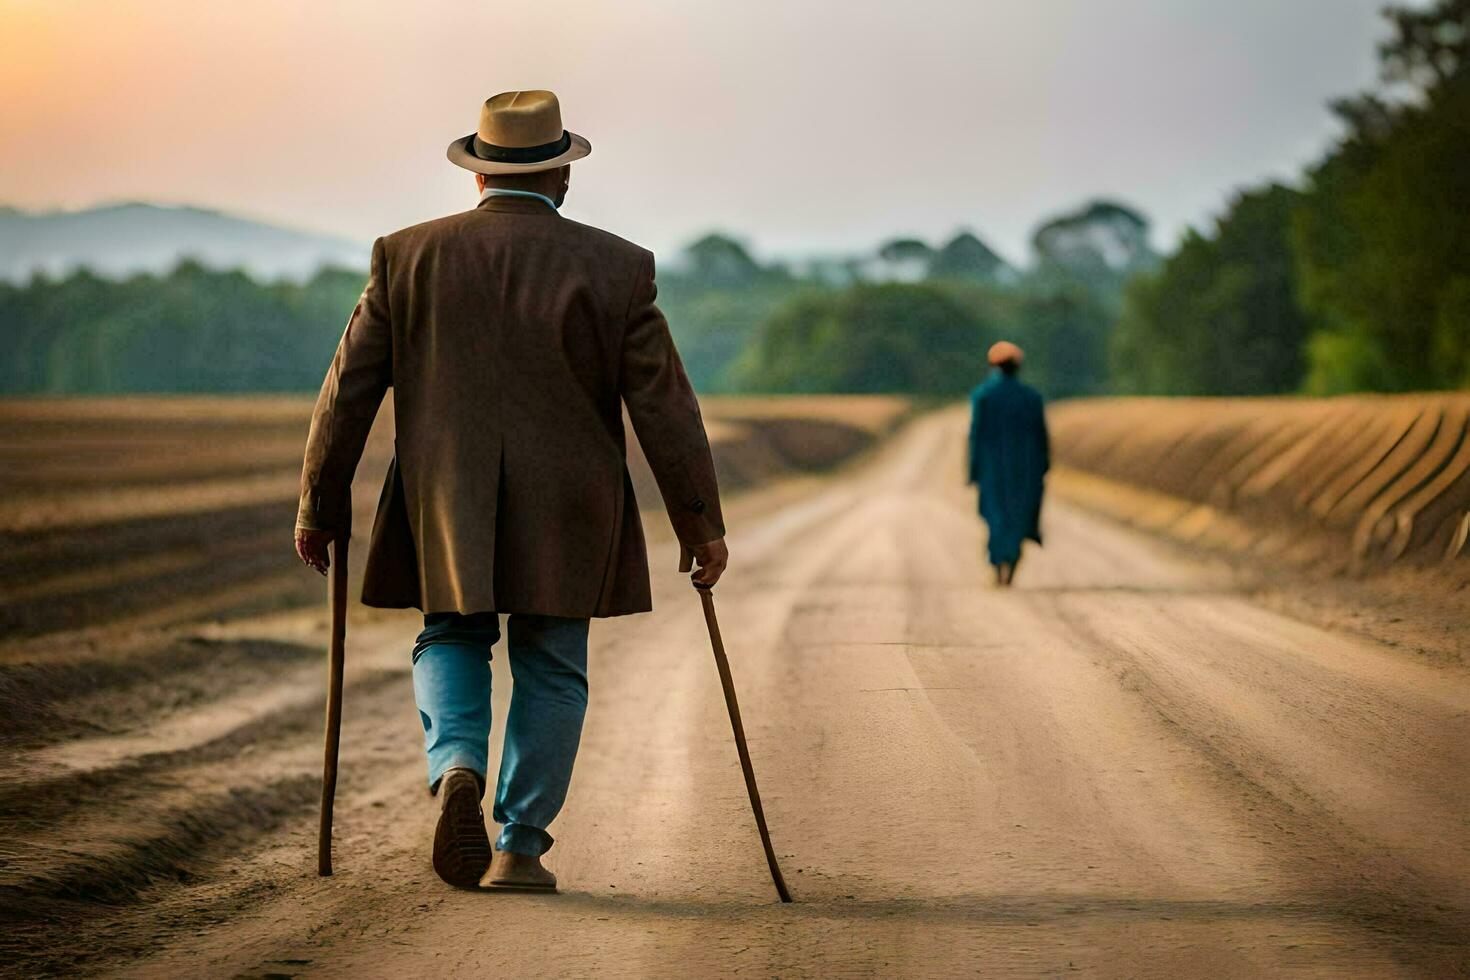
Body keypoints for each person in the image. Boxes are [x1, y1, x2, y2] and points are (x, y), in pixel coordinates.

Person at [293, 90, 728, 892]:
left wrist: (320, 502)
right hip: (572, 501)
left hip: (444, 493)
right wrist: (700, 525)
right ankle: (519, 845)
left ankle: (457, 762)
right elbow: (665, 405)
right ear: (562, 174)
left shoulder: (404, 255)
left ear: (478, 177)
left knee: (450, 635)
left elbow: (347, 389)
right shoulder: (619, 267)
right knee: (553, 660)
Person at [966, 341, 1048, 586]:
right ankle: (1011, 560)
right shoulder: (1031, 397)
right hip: (1026, 468)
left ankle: (999, 561)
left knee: (996, 515)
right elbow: (1041, 437)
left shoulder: (983, 396)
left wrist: (973, 469)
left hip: (992, 468)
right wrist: (1043, 466)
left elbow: (976, 435)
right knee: (1019, 515)